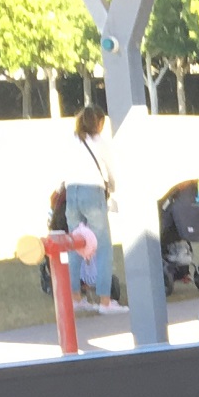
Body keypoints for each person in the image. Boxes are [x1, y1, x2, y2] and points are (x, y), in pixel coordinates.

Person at [65, 106, 123, 314]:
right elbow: (112, 170)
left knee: (75, 245)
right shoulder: (100, 142)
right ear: (97, 123)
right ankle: (105, 301)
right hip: (92, 192)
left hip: (71, 192)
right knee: (103, 246)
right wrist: (112, 187)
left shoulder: (73, 140)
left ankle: (75, 297)